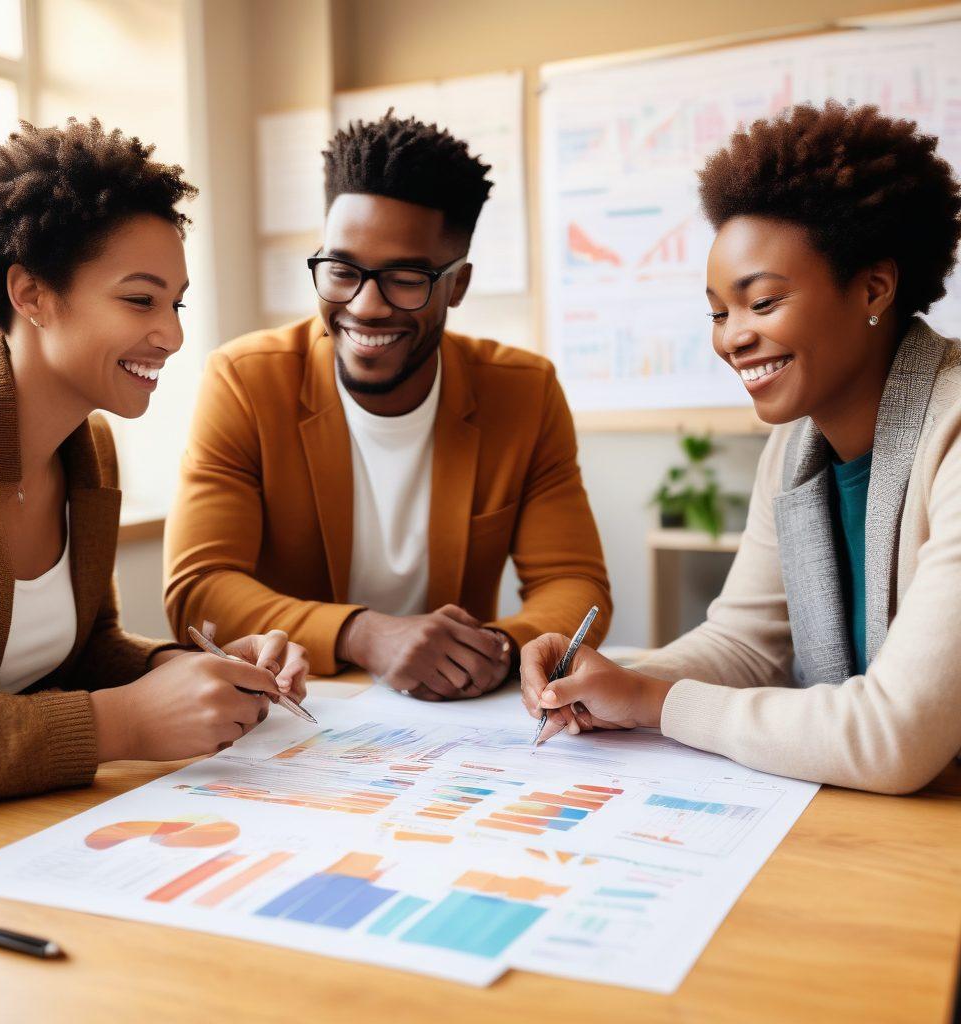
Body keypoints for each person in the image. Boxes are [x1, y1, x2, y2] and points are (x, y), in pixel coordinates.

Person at [521, 101, 961, 794]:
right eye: (719, 312)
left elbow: (895, 735)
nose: (732, 338)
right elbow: (745, 644)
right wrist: (606, 683)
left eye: (762, 303)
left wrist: (652, 702)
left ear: (874, 288)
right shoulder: (794, 448)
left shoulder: (953, 431)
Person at [165, 112, 611, 700]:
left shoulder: (524, 392)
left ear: (457, 285)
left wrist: (498, 648)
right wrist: (361, 633)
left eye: (404, 278)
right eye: (342, 270)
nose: (366, 306)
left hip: (455, 716)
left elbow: (574, 583)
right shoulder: (246, 381)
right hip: (302, 707)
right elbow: (198, 588)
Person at [0, 119, 308, 808]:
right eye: (140, 299)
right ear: (31, 294)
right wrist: (121, 723)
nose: (173, 335)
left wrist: (189, 668)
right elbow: (106, 711)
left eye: (176, 302)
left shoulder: (91, 448)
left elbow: (83, 648)